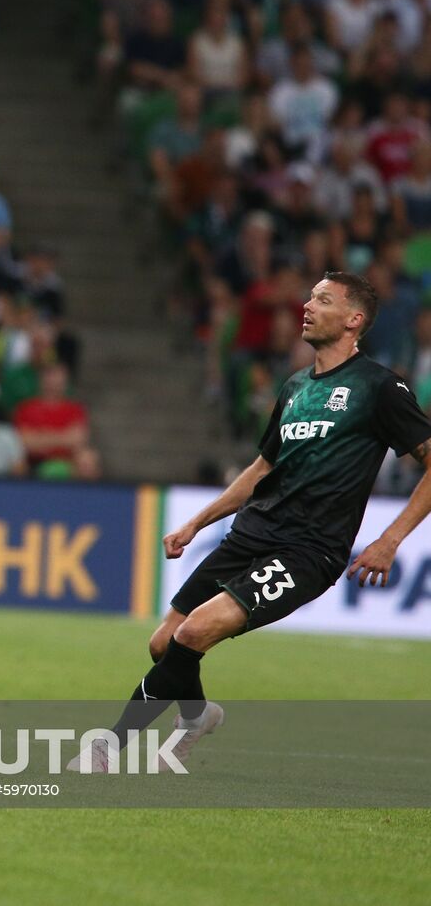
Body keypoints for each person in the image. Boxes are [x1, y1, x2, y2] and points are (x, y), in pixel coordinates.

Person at [71, 272, 431, 772]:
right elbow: (263, 468)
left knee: (194, 632)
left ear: (354, 320)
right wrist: (197, 523)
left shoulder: (380, 387)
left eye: (323, 299)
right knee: (163, 643)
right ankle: (196, 716)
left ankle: (109, 748)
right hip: (251, 533)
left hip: (308, 550)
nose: (307, 306)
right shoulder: (296, 386)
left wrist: (390, 540)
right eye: (310, 297)